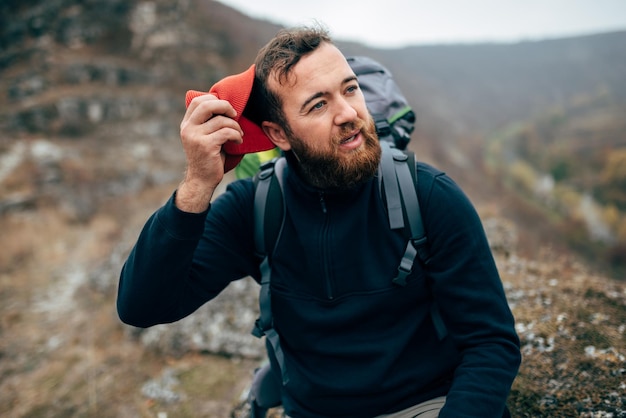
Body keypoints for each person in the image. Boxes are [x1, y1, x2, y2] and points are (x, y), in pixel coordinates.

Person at [117, 25, 521, 418]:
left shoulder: (427, 195)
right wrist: (195, 187)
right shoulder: (255, 207)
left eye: (350, 89)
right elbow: (142, 306)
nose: (349, 113)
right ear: (279, 133)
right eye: (318, 104)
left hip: (424, 405)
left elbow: (490, 343)